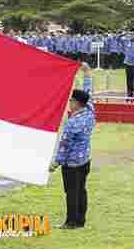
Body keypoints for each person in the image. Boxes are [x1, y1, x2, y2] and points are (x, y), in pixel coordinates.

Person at [50, 63, 95, 229]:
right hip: (85, 160)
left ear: (77, 103)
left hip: (72, 164)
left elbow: (65, 145)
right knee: (81, 190)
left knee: (71, 192)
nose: (69, 103)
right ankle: (81, 220)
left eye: (71, 101)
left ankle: (71, 222)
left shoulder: (73, 123)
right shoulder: (90, 111)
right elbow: (89, 94)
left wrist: (55, 163)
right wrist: (87, 74)